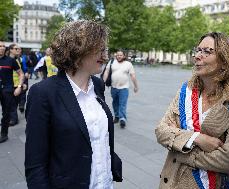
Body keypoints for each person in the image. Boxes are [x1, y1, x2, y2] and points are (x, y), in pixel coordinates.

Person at [25, 20, 122, 189]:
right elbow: (35, 164)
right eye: (99, 49)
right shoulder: (43, 93)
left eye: (105, 49)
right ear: (77, 50)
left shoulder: (98, 86)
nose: (105, 56)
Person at [155, 32, 229, 189]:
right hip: (173, 180)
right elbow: (161, 131)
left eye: (207, 51)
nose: (197, 55)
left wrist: (180, 151)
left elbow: (227, 160)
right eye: (198, 50)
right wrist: (196, 138)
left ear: (225, 61)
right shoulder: (186, 90)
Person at [103, 50, 138, 128]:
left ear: (124, 56)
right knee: (115, 102)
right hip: (114, 87)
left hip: (124, 88)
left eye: (120, 55)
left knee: (122, 103)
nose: (119, 56)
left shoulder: (128, 64)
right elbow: (106, 72)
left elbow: (133, 75)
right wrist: (102, 82)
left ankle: (122, 119)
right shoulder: (112, 62)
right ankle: (117, 116)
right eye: (117, 55)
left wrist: (135, 86)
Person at [0, 41, 24, 143]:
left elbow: (21, 74)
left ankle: (3, 134)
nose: (1, 48)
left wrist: (19, 86)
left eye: (3, 46)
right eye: (0, 46)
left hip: (7, 90)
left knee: (6, 113)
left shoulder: (10, 61)